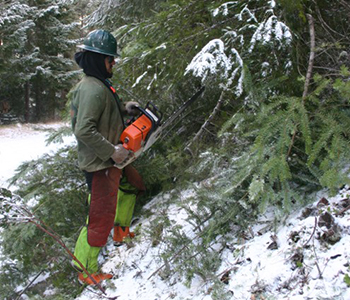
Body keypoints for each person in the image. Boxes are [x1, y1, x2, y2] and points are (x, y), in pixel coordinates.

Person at [70, 29, 140, 285]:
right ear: (98, 59)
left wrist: (124, 109)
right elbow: (84, 129)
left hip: (110, 161)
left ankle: (121, 231)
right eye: (110, 59)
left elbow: (103, 114)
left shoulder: (99, 84)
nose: (114, 63)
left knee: (128, 189)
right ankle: (85, 268)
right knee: (99, 217)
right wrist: (112, 151)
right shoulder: (92, 89)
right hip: (100, 163)